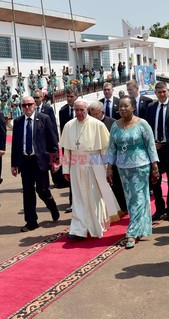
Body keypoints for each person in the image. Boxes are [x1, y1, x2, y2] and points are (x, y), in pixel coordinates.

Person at [59, 99, 120, 240]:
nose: (79, 113)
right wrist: (66, 169)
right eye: (77, 110)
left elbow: (105, 150)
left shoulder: (97, 125)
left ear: (88, 110)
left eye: (82, 110)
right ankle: (78, 229)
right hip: (75, 164)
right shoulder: (69, 126)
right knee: (78, 197)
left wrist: (107, 169)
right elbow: (67, 150)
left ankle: (97, 224)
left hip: (94, 163)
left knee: (94, 196)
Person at [106, 97, 159, 248]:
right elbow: (111, 148)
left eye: (126, 106)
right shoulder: (115, 126)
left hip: (140, 166)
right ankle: (141, 229)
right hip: (123, 168)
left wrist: (155, 167)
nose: (122, 109)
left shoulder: (142, 124)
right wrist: (109, 168)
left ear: (133, 107)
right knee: (132, 199)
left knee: (137, 198)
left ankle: (131, 233)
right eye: (120, 106)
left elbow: (150, 146)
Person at [11, 96, 60, 232]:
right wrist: (14, 164)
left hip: (40, 161)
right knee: (27, 192)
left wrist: (55, 161)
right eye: (24, 105)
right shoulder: (18, 121)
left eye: (29, 104)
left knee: (42, 190)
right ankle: (31, 222)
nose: (27, 107)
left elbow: (53, 141)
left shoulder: (43, 119)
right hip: (25, 162)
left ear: (34, 105)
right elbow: (15, 144)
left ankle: (52, 205)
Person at [146, 81, 169, 222]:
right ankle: (159, 209)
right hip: (155, 149)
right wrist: (152, 143)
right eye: (159, 92)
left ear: (168, 91)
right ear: (155, 93)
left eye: (164, 92)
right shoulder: (151, 107)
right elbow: (147, 127)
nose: (162, 94)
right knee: (155, 180)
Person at [89, 101, 127, 214]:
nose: (94, 117)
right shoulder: (89, 124)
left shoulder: (113, 123)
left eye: (96, 114)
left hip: (113, 159)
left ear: (102, 112)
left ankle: (122, 207)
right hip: (96, 160)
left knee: (116, 184)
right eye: (92, 114)